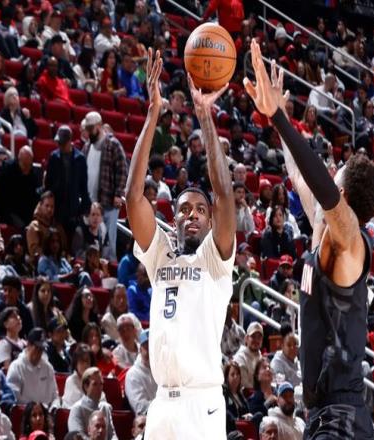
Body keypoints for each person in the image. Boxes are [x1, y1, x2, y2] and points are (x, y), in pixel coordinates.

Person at [244, 40, 374, 438]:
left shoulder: (349, 243)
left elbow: (324, 191)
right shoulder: (323, 234)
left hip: (341, 416)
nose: (328, 173)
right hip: (326, 413)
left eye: (335, 174)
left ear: (341, 194)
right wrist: (275, 117)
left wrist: (281, 119)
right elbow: (300, 176)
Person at [126, 49, 236, 439]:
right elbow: (133, 197)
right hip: (162, 405)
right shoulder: (161, 254)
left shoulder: (215, 258)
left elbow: (225, 196)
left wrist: (205, 117)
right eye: (184, 209)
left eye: (200, 210)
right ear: (173, 219)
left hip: (201, 402)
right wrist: (153, 114)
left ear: (210, 220)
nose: (192, 214)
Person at [81, 112, 127, 262]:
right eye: (87, 129)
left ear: (99, 126)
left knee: (108, 242)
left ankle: (110, 267)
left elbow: (122, 169)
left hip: (108, 201)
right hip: (90, 203)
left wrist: (118, 194)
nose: (89, 132)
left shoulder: (113, 144)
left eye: (91, 128)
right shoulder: (87, 146)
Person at [45, 125, 91, 236]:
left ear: (70, 141)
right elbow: (48, 184)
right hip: (57, 209)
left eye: (62, 143)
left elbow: (83, 186)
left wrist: (83, 209)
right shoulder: (54, 157)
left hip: (73, 210)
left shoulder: (80, 159)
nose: (59, 146)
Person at [0, 146, 41, 229]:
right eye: (25, 165)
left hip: (26, 210)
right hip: (8, 210)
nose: (27, 168)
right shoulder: (6, 171)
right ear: (19, 160)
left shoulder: (33, 174)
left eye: (29, 165)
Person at [6, 328, 58, 406]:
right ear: (28, 345)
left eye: (41, 349)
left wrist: (53, 407)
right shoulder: (16, 367)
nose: (39, 353)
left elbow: (55, 396)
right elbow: (14, 397)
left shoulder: (48, 367)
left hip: (46, 411)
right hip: (25, 411)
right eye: (37, 348)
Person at [67, 367, 118, 439]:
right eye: (95, 384)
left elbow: (112, 435)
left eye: (101, 384)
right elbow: (78, 437)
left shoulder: (105, 407)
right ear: (86, 386)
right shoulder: (77, 409)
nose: (99, 388)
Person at [125, 329, 157, 416]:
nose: (151, 352)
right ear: (140, 349)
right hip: (148, 420)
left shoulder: (164, 369)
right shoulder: (133, 374)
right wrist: (165, 404)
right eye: (147, 348)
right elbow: (140, 407)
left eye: (153, 347)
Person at [63, 343, 96, 409]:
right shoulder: (70, 380)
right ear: (76, 363)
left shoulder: (95, 379)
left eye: (87, 361)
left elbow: (101, 400)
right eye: (82, 361)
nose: (85, 365)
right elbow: (74, 407)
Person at [222, 361, 251, 433]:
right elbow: (227, 414)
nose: (236, 377)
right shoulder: (224, 394)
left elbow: (247, 411)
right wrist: (239, 419)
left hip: (244, 425)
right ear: (227, 377)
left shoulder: (240, 394)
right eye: (232, 374)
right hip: (233, 428)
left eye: (238, 374)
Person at [233, 322, 264, 389]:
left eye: (259, 337)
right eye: (253, 336)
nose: (256, 340)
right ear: (246, 338)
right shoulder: (240, 358)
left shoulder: (260, 357)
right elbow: (246, 386)